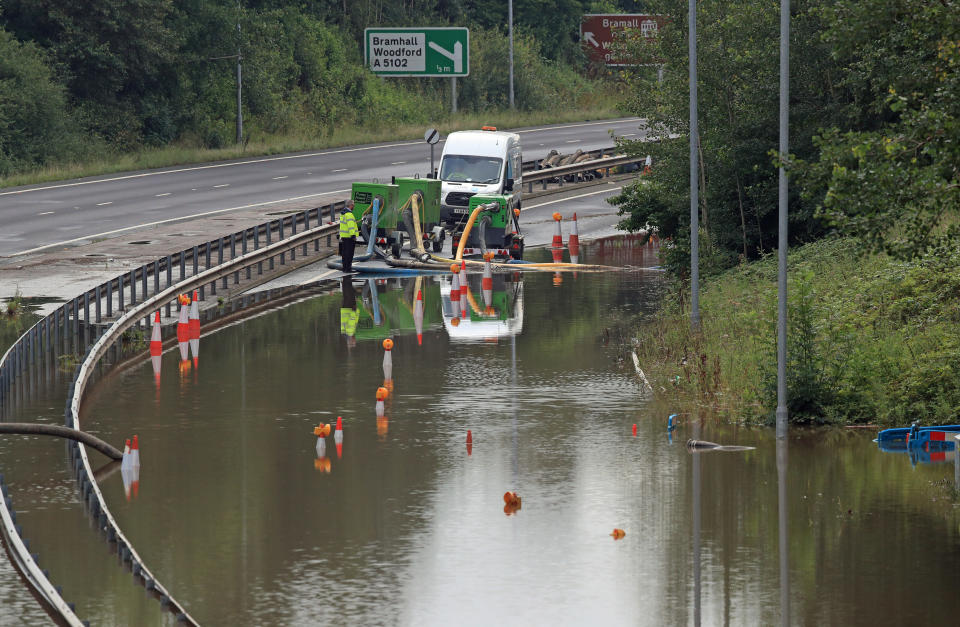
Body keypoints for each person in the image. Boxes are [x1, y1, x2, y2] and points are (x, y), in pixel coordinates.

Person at [339, 199, 359, 273]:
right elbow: (351, 226)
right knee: (349, 253)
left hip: (344, 236)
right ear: (351, 206)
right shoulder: (349, 214)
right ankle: (348, 268)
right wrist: (353, 235)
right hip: (349, 237)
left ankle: (344, 268)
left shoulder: (343, 213)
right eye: (353, 205)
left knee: (344, 253)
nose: (354, 206)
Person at [340, 277, 358, 348]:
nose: (355, 340)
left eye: (354, 341)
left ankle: (347, 278)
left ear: (351, 341)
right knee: (346, 294)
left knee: (350, 293)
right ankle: (345, 279)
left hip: (349, 310)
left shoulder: (350, 333)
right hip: (345, 310)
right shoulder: (346, 334)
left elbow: (351, 321)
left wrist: (354, 311)